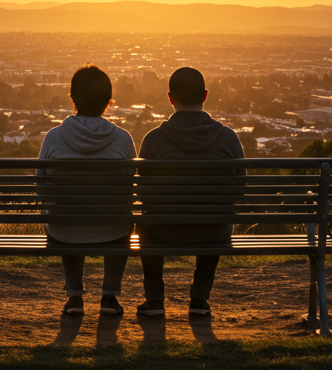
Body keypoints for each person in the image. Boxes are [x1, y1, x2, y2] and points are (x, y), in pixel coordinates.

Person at [135, 66, 244, 317]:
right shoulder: (228, 138)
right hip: (213, 231)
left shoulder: (153, 139)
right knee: (216, 215)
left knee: (143, 223)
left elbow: (143, 193)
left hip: (162, 230)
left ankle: (154, 300)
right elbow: (239, 190)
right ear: (205, 96)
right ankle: (199, 299)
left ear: (170, 98)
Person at [38, 65, 137, 317]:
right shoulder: (124, 140)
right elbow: (131, 188)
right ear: (108, 101)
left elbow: (41, 188)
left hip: (64, 229)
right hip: (113, 229)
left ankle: (74, 296)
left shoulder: (53, 138)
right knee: (125, 220)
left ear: (72, 98)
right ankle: (109, 296)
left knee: (65, 216)